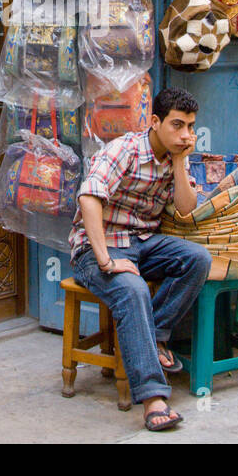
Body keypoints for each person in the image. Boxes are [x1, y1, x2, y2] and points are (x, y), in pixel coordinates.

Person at [70, 86, 210, 432]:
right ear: (155, 122)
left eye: (190, 126)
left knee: (197, 259)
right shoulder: (125, 151)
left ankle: (157, 333)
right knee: (133, 290)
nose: (186, 134)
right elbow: (89, 198)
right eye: (177, 125)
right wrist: (105, 261)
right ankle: (153, 398)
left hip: (142, 243)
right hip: (96, 248)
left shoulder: (177, 154)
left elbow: (185, 207)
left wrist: (179, 161)